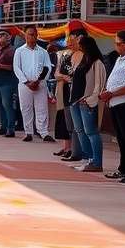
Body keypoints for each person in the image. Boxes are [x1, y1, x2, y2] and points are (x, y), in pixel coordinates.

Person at [101, 30, 125, 183]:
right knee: (121, 139)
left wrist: (113, 93)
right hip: (116, 103)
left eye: (118, 43)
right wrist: (107, 91)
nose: (116, 46)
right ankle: (124, 169)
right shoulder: (120, 59)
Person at [67, 36, 106, 172]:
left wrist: (90, 100)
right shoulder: (84, 60)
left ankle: (96, 162)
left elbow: (99, 85)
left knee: (91, 132)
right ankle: (88, 159)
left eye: (80, 44)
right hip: (76, 101)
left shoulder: (97, 62)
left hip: (86, 102)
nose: (78, 46)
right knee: (80, 131)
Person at [13, 25, 55, 142]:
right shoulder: (19, 51)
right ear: (25, 35)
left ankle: (43, 132)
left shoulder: (43, 52)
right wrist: (27, 82)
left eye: (34, 34)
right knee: (26, 108)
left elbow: (48, 67)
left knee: (42, 108)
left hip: (40, 84)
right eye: (29, 34)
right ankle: (28, 132)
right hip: (25, 84)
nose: (32, 36)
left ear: (37, 35)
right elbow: (16, 68)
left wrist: (39, 81)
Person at [53, 30, 85, 161]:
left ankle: (78, 151)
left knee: (79, 125)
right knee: (69, 124)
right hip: (66, 92)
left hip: (79, 94)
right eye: (69, 41)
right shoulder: (66, 56)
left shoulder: (85, 56)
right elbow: (57, 74)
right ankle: (71, 149)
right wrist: (64, 77)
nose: (70, 43)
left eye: (73, 41)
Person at [0, 31, 17, 137]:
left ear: (8, 38)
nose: (0, 38)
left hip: (7, 82)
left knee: (7, 105)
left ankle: (11, 129)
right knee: (0, 105)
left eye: (3, 36)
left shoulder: (12, 50)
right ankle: (3, 127)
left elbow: (12, 67)